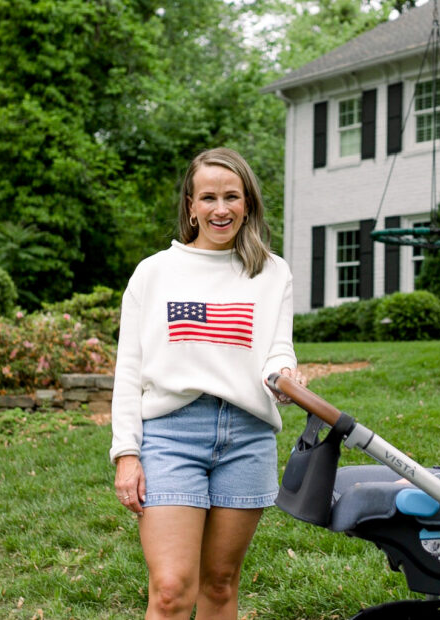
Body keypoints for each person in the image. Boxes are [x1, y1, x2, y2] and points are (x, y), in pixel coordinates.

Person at [110, 147, 307, 619]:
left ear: (247, 204)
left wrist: (283, 377)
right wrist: (126, 453)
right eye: (209, 197)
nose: (221, 209)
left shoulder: (271, 271)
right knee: (172, 589)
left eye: (232, 197)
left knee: (219, 584)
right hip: (171, 436)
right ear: (191, 206)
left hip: (246, 436)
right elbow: (128, 370)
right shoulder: (153, 273)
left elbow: (277, 348)